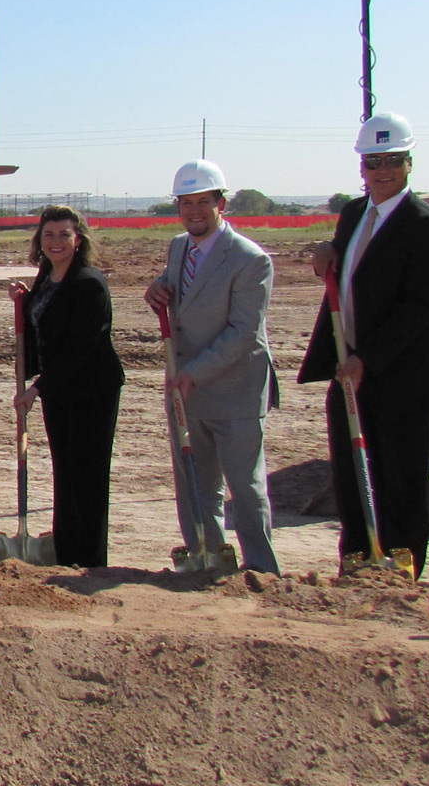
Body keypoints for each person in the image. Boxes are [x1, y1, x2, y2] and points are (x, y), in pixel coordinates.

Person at [297, 112, 429, 577]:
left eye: (391, 160)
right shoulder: (352, 214)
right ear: (361, 168)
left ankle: (400, 571)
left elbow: (419, 308)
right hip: (351, 372)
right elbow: (353, 267)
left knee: (400, 481)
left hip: (403, 378)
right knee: (352, 478)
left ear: (409, 163)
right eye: (372, 162)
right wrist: (329, 250)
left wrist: (368, 358)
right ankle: (357, 561)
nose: (381, 171)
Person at [142, 160, 280, 573]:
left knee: (245, 486)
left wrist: (193, 373)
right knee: (195, 485)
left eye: (204, 201)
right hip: (187, 388)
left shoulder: (250, 260)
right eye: (187, 203)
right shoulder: (179, 247)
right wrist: (157, 290)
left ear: (222, 203)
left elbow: (242, 333)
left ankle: (261, 569)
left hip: (234, 388)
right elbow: (176, 294)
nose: (194, 211)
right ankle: (208, 557)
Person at [11, 205, 124, 568]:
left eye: (64, 234)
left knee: (87, 476)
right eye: (49, 235)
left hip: (91, 391)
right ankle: (66, 552)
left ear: (79, 239)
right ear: (39, 241)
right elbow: (46, 328)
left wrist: (37, 388)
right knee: (65, 472)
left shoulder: (89, 282)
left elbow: (81, 347)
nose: (56, 241)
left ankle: (90, 560)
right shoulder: (46, 277)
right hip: (59, 393)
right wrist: (24, 302)